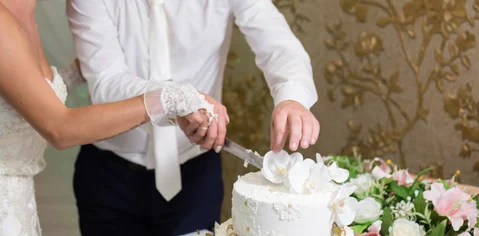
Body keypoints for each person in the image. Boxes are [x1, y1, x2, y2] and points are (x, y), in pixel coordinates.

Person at [0, 0, 217, 234]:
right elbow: (60, 128)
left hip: (12, 199)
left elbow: (21, 91)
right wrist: (173, 97)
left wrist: (82, 71)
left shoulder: (24, 13)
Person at [67, 0, 321, 235]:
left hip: (195, 175)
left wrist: (292, 96)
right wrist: (178, 99)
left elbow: (277, 43)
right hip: (108, 175)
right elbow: (106, 82)